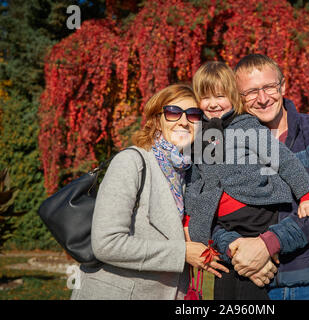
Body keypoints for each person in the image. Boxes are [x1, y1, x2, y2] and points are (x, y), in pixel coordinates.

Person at [213, 54, 309, 300]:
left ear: (283, 86)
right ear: (239, 97)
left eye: (269, 87)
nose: (263, 98)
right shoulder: (226, 146)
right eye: (251, 92)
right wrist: (237, 251)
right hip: (253, 283)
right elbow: (211, 212)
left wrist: (268, 243)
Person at [71, 83, 228, 300]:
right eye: (173, 112)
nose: (184, 121)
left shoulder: (188, 173)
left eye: (193, 114)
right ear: (156, 120)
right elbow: (106, 243)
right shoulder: (131, 162)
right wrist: (182, 253)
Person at [183, 61, 309, 300]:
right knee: (224, 281)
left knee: (251, 286)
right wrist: (190, 217)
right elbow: (196, 181)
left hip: (255, 210)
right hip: (223, 220)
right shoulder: (201, 135)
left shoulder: (246, 126)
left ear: (233, 96)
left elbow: (283, 159)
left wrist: (306, 192)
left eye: (220, 95)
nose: (213, 103)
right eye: (205, 97)